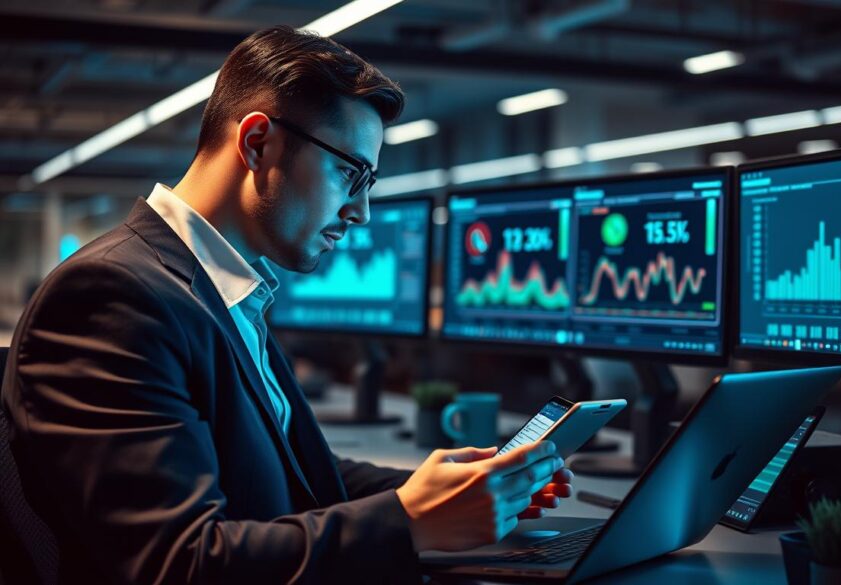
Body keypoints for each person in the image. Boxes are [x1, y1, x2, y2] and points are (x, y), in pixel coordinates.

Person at [1, 26, 572, 584]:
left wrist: (451, 492)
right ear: (256, 144)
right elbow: (177, 562)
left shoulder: (220, 290)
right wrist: (407, 521)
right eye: (351, 174)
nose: (361, 211)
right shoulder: (113, 298)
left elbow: (286, 471)